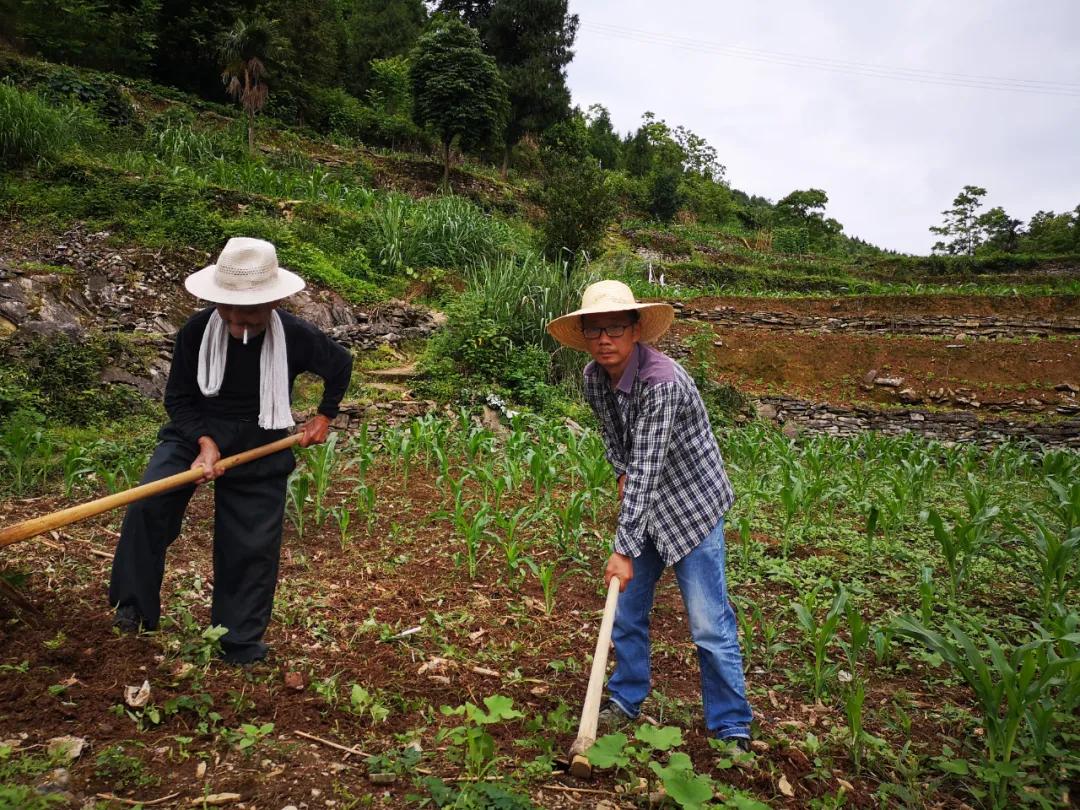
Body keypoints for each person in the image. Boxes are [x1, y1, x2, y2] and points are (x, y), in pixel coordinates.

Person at [109, 237, 353, 664]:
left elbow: (340, 365)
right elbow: (179, 399)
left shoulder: (296, 335)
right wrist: (205, 444)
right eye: (230, 311)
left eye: (251, 313)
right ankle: (132, 609)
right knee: (149, 504)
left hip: (263, 434)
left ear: (274, 302)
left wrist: (324, 416)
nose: (239, 321)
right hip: (195, 431)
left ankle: (238, 641)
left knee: (251, 544)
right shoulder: (196, 331)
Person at [546, 280, 753, 747]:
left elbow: (647, 467)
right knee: (628, 611)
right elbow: (617, 446)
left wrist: (622, 549)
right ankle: (625, 697)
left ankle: (731, 723)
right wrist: (620, 471)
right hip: (645, 508)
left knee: (707, 623)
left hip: (691, 507)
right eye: (594, 330)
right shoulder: (592, 378)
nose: (605, 339)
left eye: (615, 328)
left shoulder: (662, 382)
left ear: (635, 330)